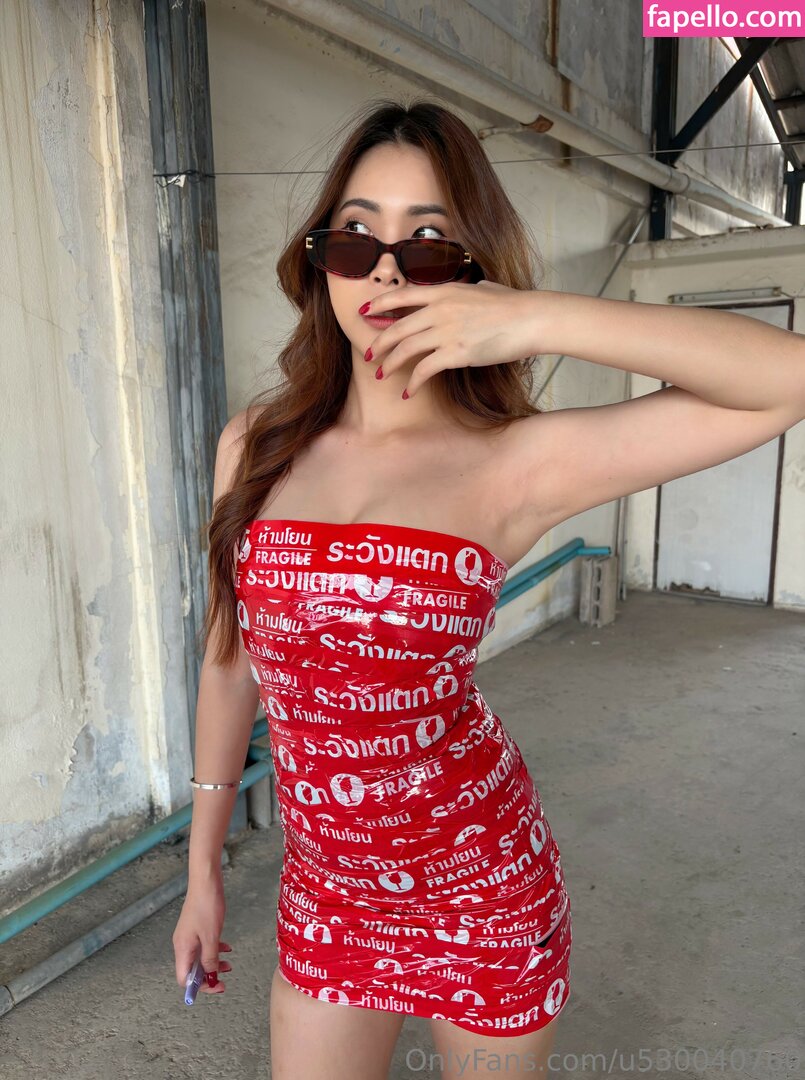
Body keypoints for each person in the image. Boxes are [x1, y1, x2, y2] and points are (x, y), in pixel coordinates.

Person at [172, 98, 805, 1080]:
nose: (386, 272)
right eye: (356, 237)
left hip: (482, 888)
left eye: (427, 245)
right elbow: (228, 662)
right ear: (321, 260)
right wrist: (202, 869)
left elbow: (785, 379)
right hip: (330, 894)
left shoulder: (514, 463)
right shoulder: (254, 446)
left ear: (472, 271)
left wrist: (537, 317)